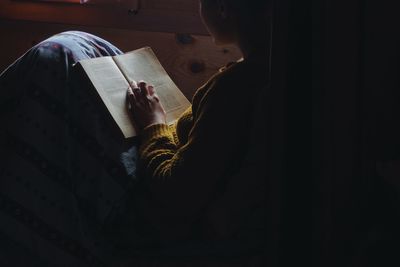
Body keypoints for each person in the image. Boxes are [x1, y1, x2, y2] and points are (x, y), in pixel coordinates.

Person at [0, 0, 271, 266]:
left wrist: (154, 125)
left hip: (146, 209)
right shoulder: (260, 72)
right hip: (156, 166)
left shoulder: (234, 89)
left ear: (223, 9)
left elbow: (174, 193)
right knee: (80, 44)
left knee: (55, 57)